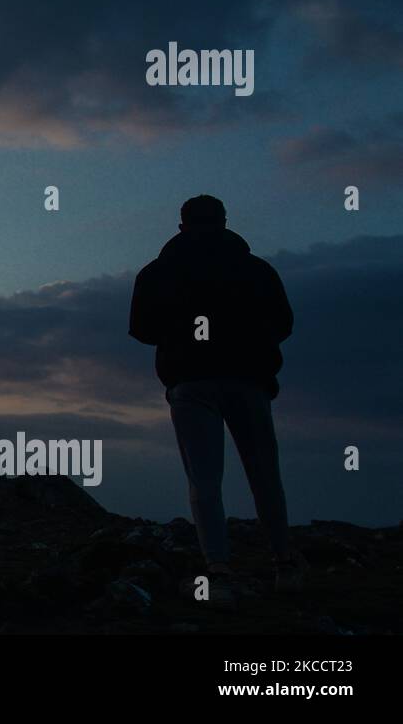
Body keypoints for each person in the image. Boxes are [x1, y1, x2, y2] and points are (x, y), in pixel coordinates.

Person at [129, 195, 307, 594]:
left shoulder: (157, 272)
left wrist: (179, 339)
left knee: (204, 480)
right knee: (265, 475)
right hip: (249, 379)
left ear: (181, 226)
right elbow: (283, 322)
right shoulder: (256, 270)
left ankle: (219, 569)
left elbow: (141, 329)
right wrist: (251, 344)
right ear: (225, 222)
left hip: (190, 381)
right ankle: (284, 563)